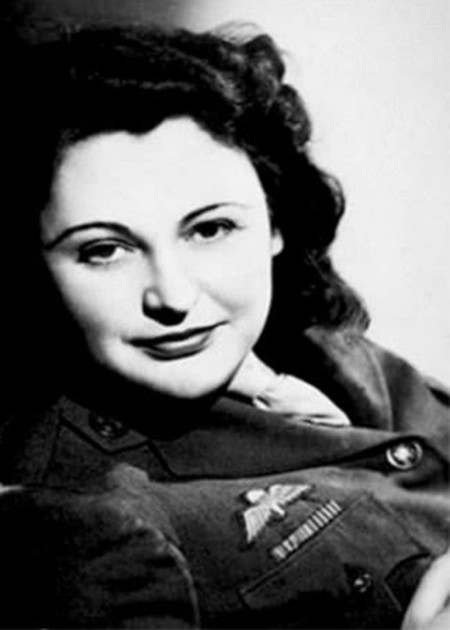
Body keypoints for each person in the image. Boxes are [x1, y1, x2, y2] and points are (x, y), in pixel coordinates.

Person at [0, 21, 448, 630]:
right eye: (104, 250)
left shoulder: (324, 351)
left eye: (210, 229)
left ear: (275, 223)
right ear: (33, 265)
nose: (174, 296)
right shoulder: (75, 525)